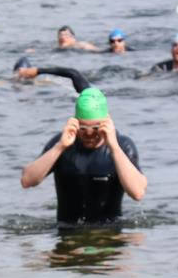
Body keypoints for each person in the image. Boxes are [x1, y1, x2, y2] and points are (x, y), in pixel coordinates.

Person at [21, 87, 146, 226]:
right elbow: (27, 180)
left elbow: (138, 192)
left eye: (96, 128)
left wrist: (114, 148)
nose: (89, 134)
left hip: (108, 235)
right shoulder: (62, 143)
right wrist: (60, 147)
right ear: (75, 122)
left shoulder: (122, 145)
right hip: (68, 234)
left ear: (107, 123)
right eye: (83, 128)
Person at [13, 57, 91, 93]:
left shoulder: (42, 82)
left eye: (26, 71)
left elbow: (73, 74)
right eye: (19, 71)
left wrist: (38, 71)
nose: (22, 74)